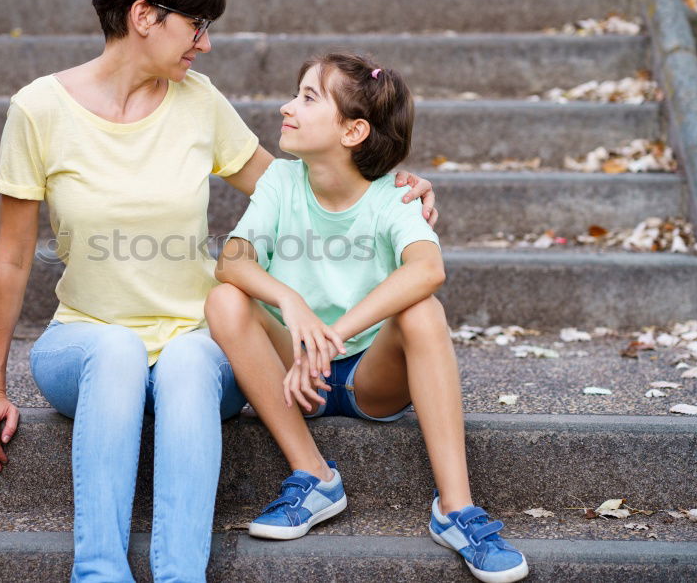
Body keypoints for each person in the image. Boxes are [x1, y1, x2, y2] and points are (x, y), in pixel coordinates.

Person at [0, 0, 438, 582]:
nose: (204, 42)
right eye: (196, 24)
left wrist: (387, 187)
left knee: (188, 352)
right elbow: (12, 260)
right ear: (144, 16)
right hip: (83, 344)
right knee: (116, 348)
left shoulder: (200, 102)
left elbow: (298, 188)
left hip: (198, 346)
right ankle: (99, 572)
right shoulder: (39, 110)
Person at [205, 52, 528, 583]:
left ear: (354, 130)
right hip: (293, 370)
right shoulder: (282, 184)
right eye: (297, 92)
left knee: (423, 310)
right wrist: (291, 303)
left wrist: (333, 334)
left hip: (368, 378)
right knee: (224, 298)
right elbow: (231, 260)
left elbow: (428, 270)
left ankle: (456, 509)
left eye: (308, 98)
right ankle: (313, 476)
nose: (287, 106)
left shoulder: (394, 196)